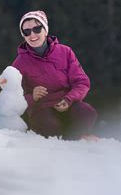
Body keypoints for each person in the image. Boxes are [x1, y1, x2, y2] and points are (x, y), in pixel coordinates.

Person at [12, 10, 98, 140]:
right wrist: (32, 97)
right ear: (23, 35)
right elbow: (13, 98)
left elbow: (82, 82)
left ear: (45, 30)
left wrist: (68, 99)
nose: (32, 34)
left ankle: (80, 138)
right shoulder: (19, 63)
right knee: (50, 127)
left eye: (37, 29)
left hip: (68, 103)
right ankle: (62, 145)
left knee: (87, 112)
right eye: (27, 32)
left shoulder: (65, 52)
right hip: (41, 109)